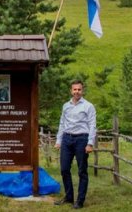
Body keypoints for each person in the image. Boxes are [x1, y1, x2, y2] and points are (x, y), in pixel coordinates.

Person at [54, 80, 97, 209]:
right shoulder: (65, 106)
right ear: (71, 91)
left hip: (81, 140)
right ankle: (68, 197)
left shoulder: (89, 106)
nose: (77, 92)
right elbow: (62, 123)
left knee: (82, 171)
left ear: (82, 91)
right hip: (67, 139)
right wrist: (58, 140)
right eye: (74, 89)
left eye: (79, 89)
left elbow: (92, 125)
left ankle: (80, 200)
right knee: (64, 169)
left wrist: (90, 143)